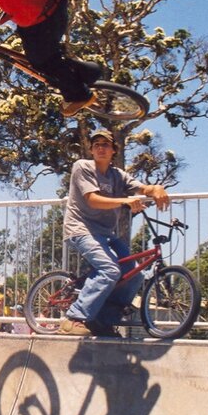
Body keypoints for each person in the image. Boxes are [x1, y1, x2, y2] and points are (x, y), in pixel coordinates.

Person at [59, 129, 170, 337]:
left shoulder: (118, 175)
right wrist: (124, 200)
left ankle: (103, 320)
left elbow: (142, 188)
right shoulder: (82, 167)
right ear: (91, 150)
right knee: (110, 269)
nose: (101, 148)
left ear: (114, 150)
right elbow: (93, 199)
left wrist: (155, 188)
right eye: (96, 144)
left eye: (106, 144)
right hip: (80, 228)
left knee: (135, 274)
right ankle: (73, 318)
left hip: (105, 233)